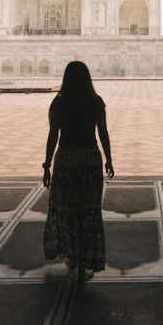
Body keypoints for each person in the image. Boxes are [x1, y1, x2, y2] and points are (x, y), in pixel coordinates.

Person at [42, 60, 114, 282]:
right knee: (88, 210)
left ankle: (72, 255)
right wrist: (109, 159)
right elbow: (103, 132)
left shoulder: (59, 103)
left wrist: (47, 165)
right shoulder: (95, 101)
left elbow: (53, 135)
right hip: (90, 160)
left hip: (66, 160)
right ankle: (86, 258)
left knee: (68, 210)